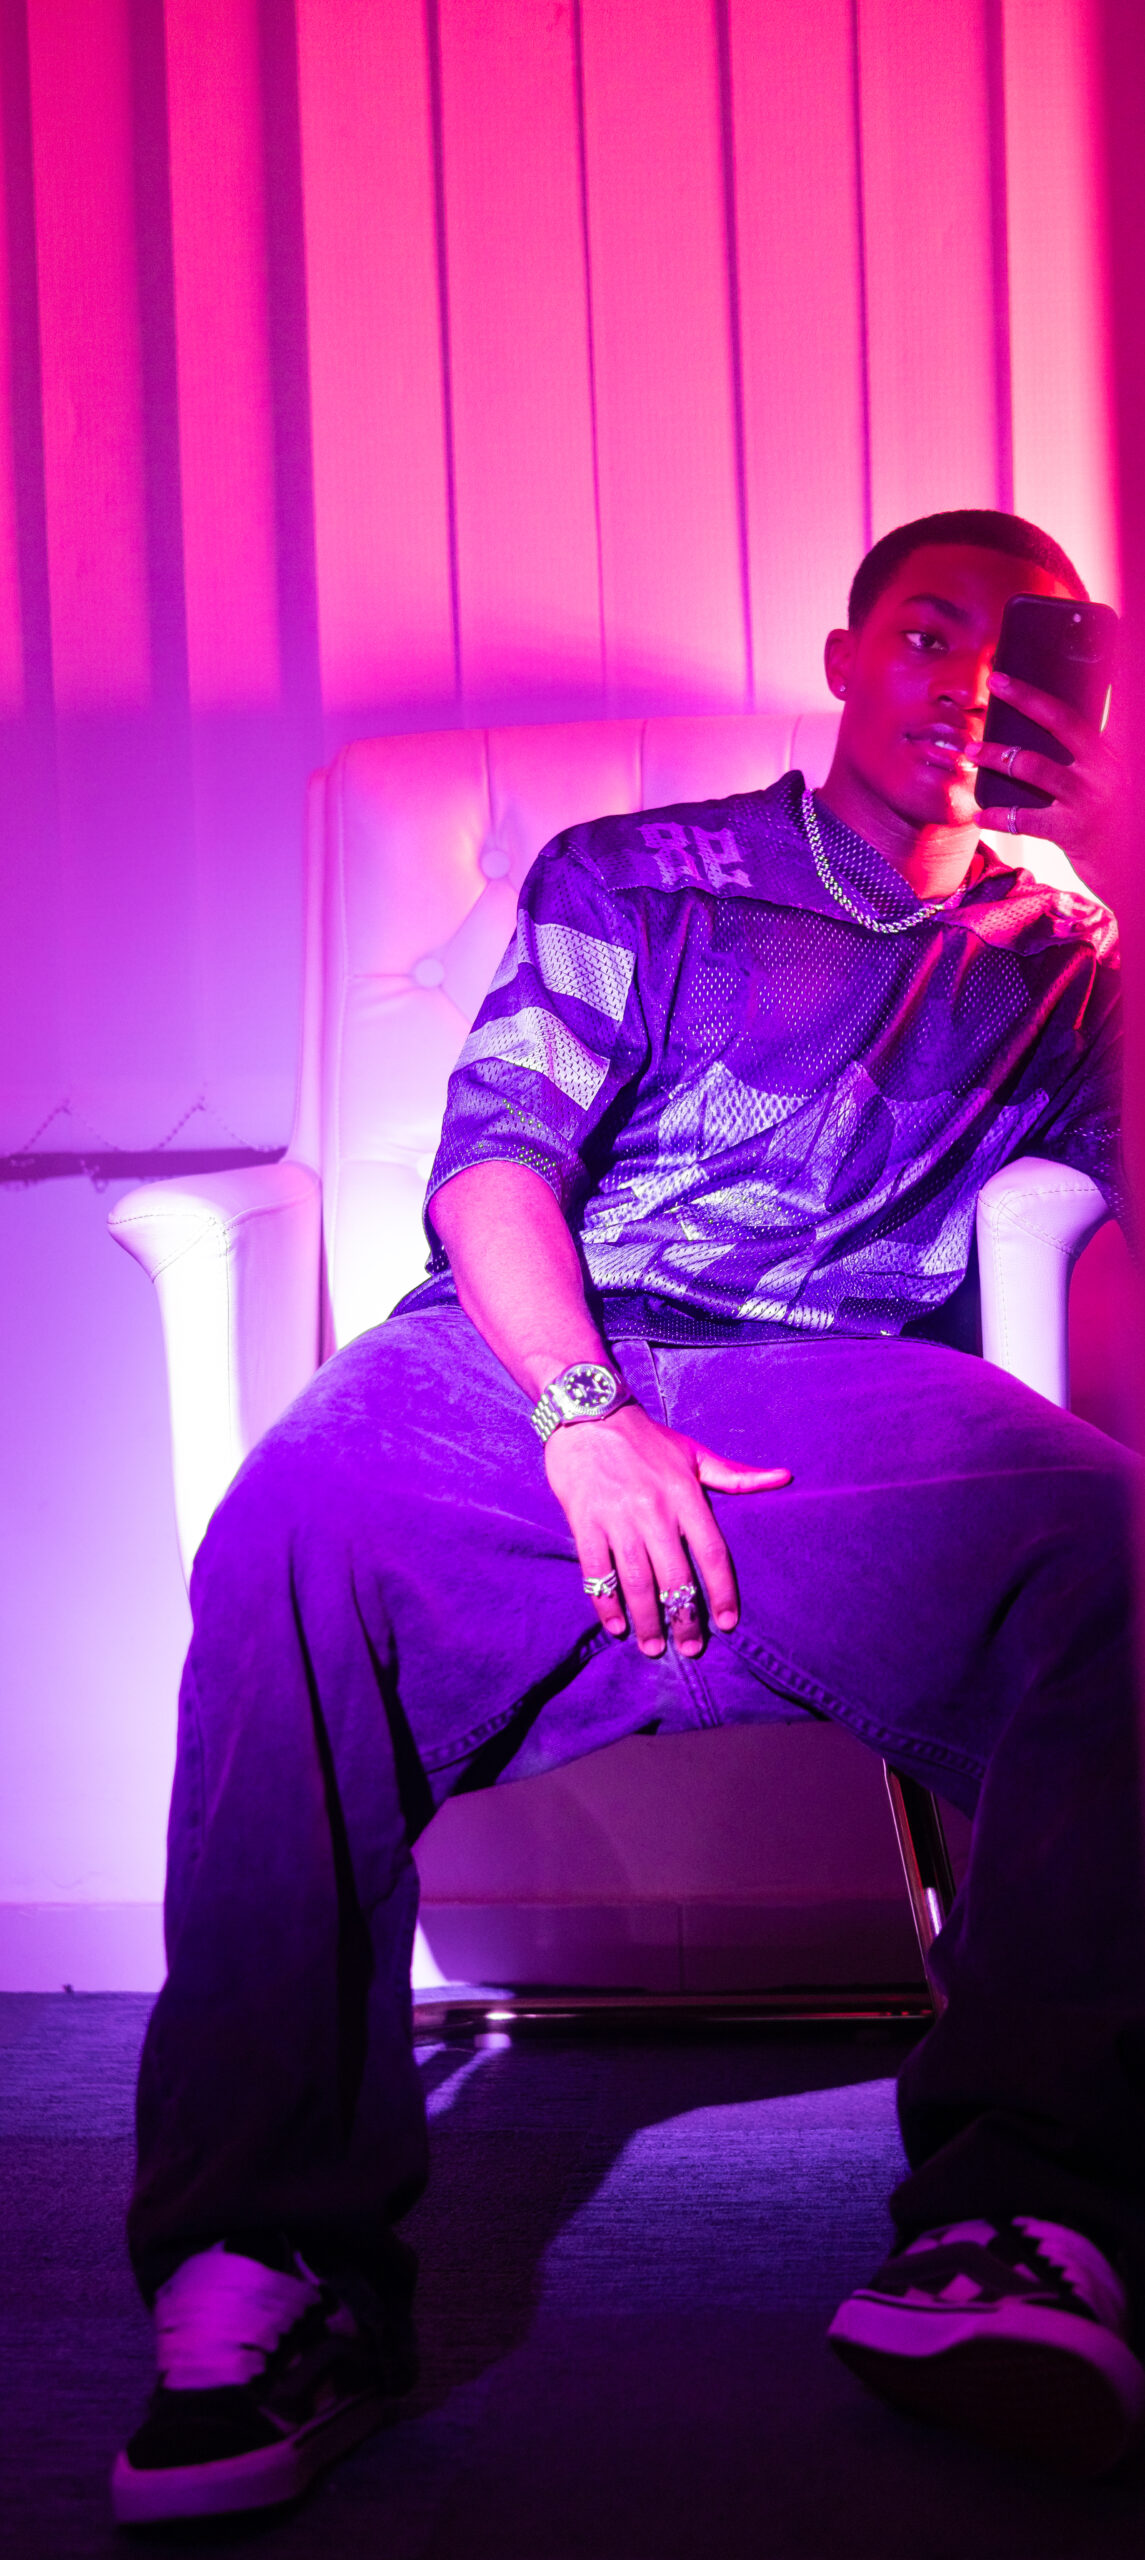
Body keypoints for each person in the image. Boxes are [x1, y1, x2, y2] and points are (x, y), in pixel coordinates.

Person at [112, 509, 1144, 2524]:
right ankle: (275, 2257)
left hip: (835, 1383)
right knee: (292, 1534)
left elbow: (1105, 1195)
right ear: (843, 659)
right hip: (522, 1356)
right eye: (926, 633)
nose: (966, 682)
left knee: (1107, 1552)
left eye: (1019, 649)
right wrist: (584, 1412)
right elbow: (491, 1162)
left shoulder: (1063, 949)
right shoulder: (641, 870)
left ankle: (1017, 2222)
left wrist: (1105, 876)